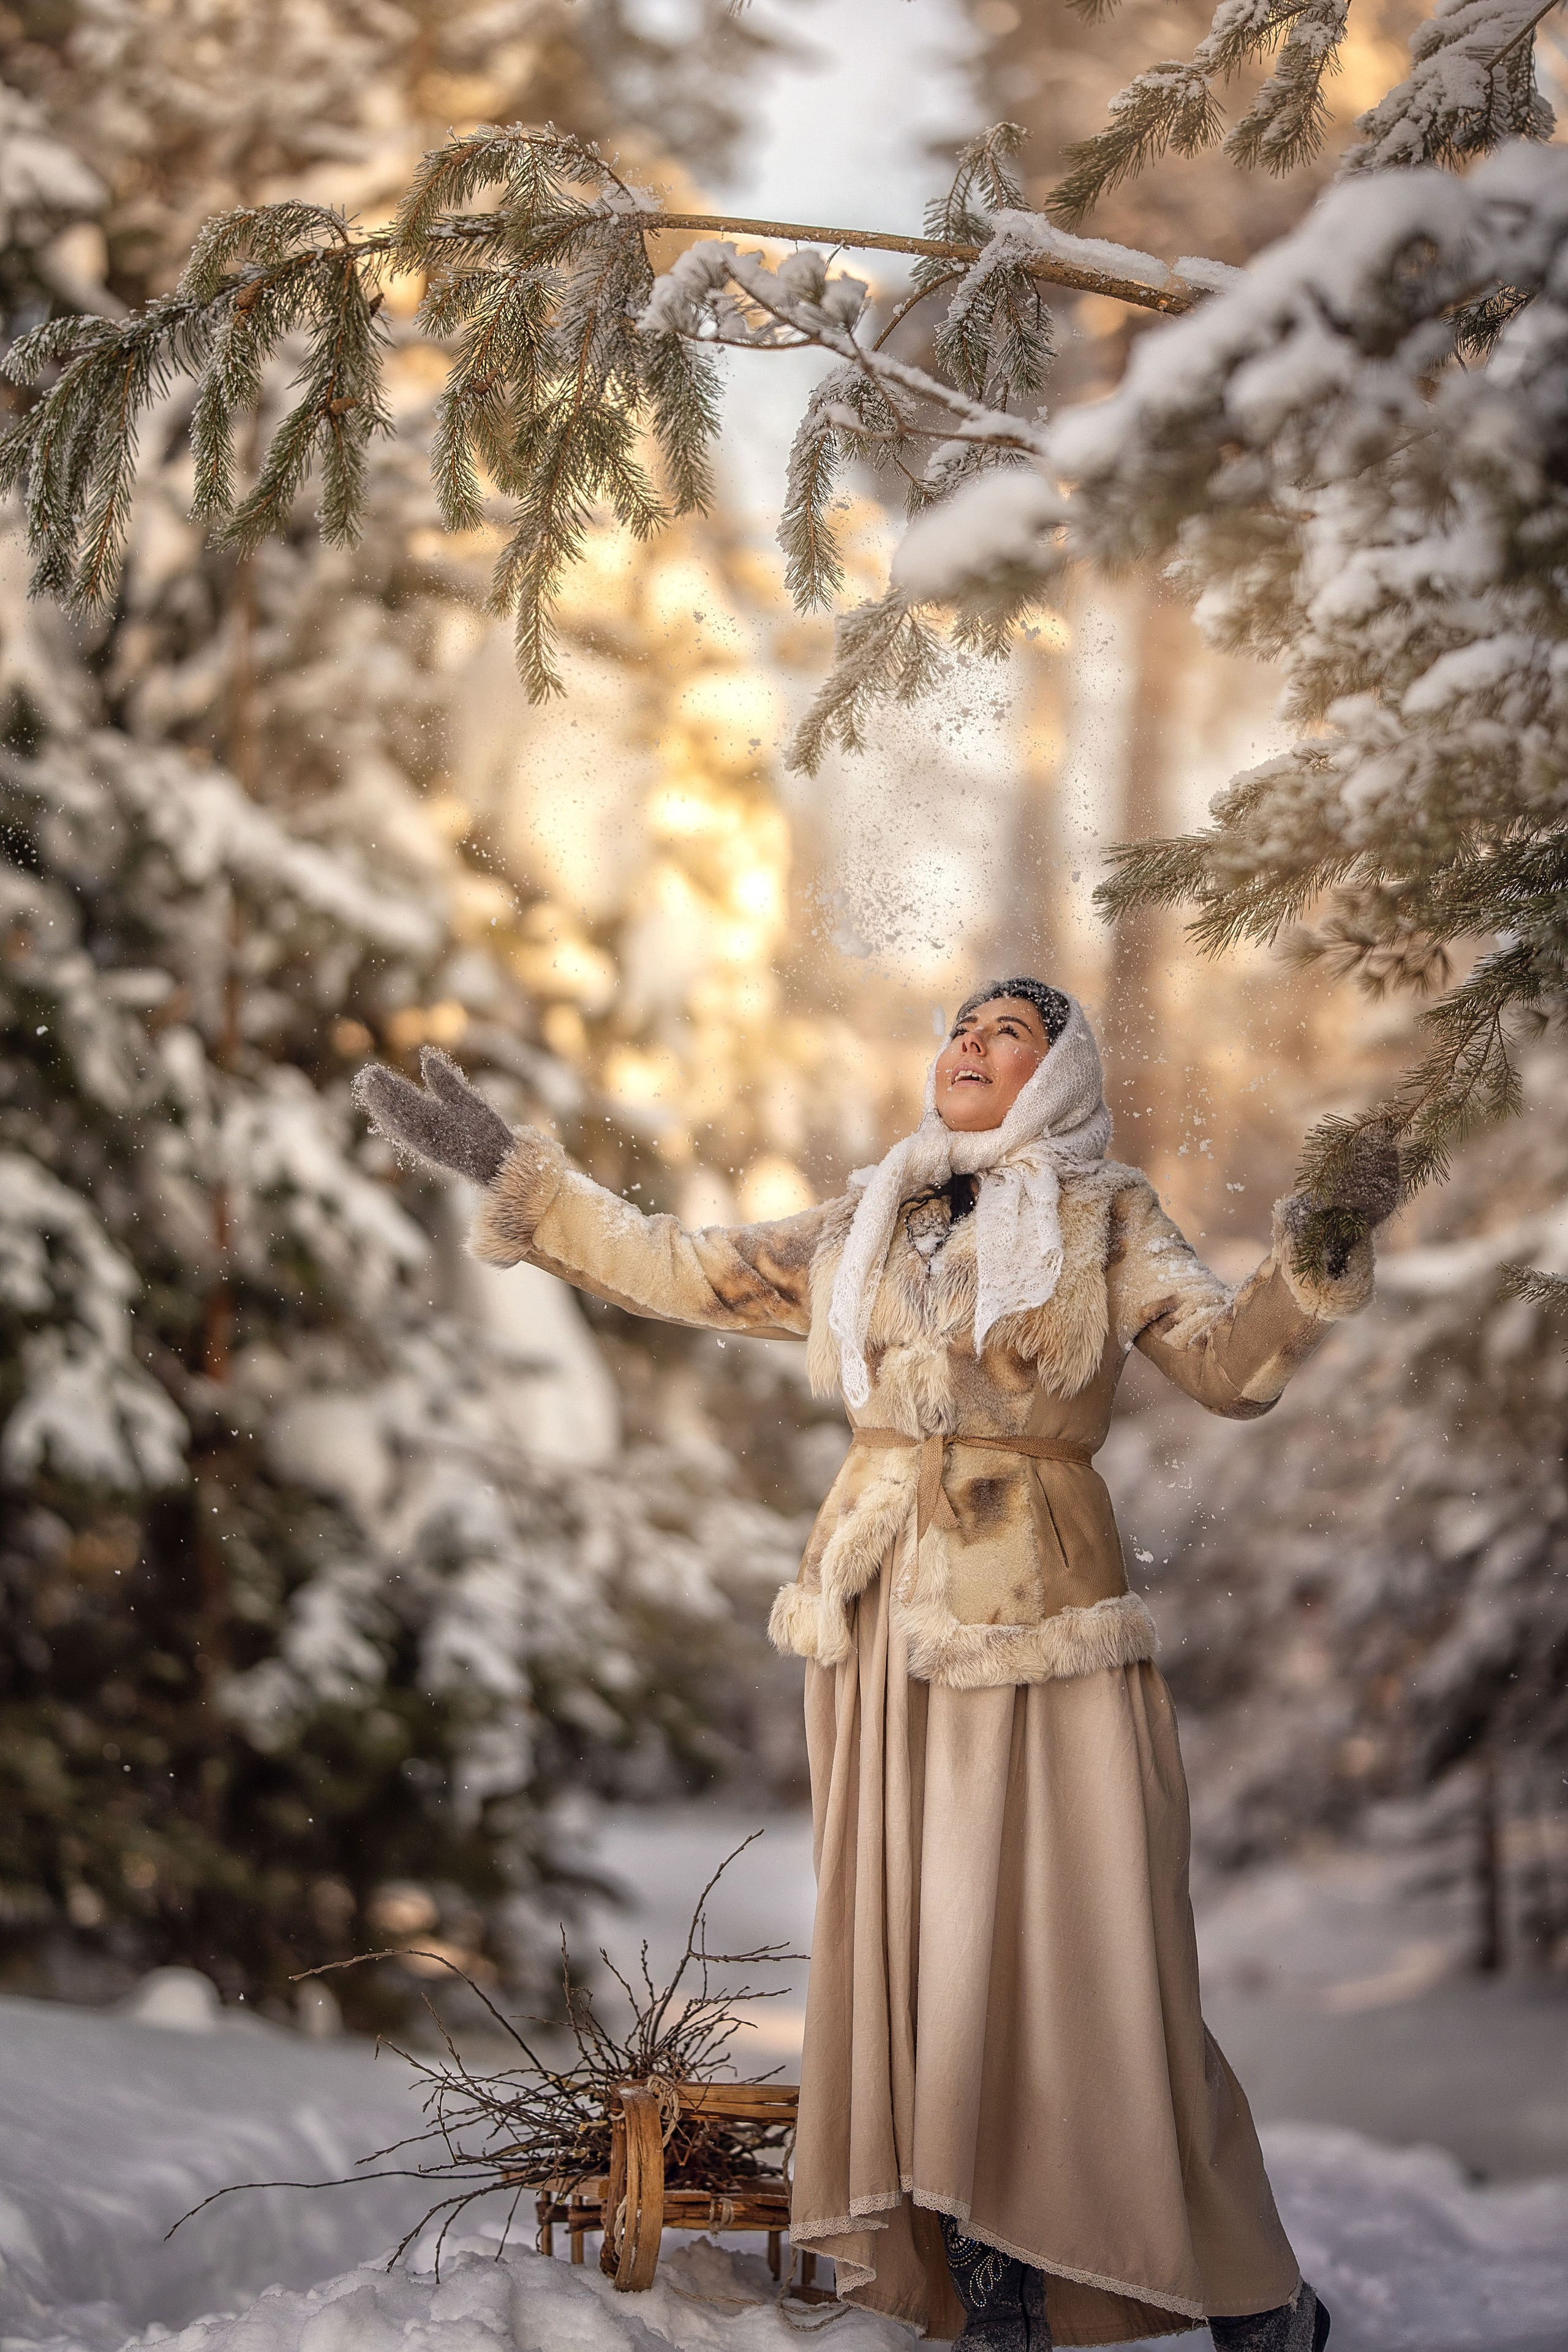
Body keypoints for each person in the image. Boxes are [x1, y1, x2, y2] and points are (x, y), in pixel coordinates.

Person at [355, 981, 1398, 2351]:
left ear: (1060, 1074)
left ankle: (1253, 2297)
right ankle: (983, 2274)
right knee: (918, 1962)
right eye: (958, 1029)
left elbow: (1226, 1366)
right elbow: (683, 1265)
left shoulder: (1103, 1212)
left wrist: (1312, 1257)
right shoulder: (869, 1217)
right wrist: (520, 1180)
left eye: (1005, 1033)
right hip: (873, 1629)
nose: (966, 1047)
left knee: (1098, 1962)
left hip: (1040, 1626)